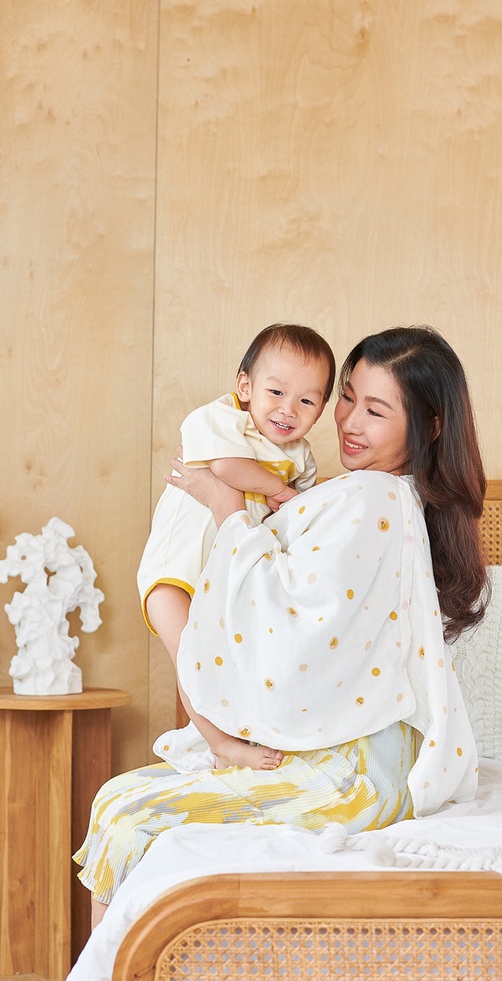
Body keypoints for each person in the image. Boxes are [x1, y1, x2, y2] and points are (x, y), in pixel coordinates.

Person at [74, 325, 489, 931]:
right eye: (347, 397)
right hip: (350, 757)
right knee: (121, 803)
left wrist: (225, 507)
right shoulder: (366, 492)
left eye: (375, 411)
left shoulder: (370, 499)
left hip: (353, 774)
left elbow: (293, 621)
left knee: (125, 814)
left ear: (427, 428)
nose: (349, 422)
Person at [138, 323, 337, 770]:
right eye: (276, 392)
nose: (288, 409)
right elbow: (228, 467)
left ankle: (242, 733)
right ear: (246, 387)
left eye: (307, 401)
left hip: (226, 580)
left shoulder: (301, 457)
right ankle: (220, 743)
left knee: (219, 660)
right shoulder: (220, 417)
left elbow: (298, 521)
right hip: (174, 568)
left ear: (322, 409)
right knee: (189, 657)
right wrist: (280, 490)